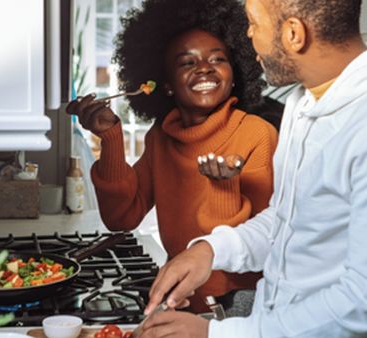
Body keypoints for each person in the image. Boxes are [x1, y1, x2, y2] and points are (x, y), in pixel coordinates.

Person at [142, 0, 367, 337]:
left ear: (293, 34)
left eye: (255, 23)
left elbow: (366, 301)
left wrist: (216, 334)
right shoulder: (306, 102)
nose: (248, 34)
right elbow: (290, 220)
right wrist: (211, 250)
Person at [66, 0, 279, 313]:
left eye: (218, 58)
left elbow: (268, 241)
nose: (204, 67)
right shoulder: (162, 137)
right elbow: (120, 218)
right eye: (187, 62)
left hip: (238, 309)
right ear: (165, 85)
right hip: (180, 300)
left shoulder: (257, 134)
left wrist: (223, 188)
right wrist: (110, 138)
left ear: (234, 74)